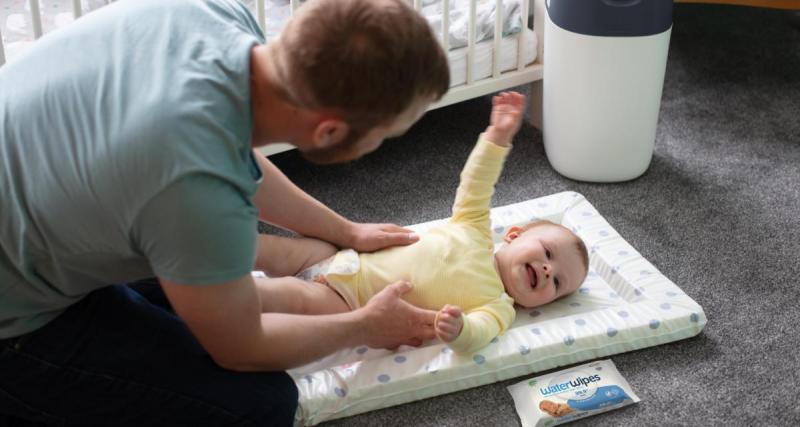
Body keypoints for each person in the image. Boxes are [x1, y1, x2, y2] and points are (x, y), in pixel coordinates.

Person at [0, 0, 450, 424]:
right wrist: (363, 326)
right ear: (329, 131)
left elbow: (228, 149)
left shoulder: (210, 15)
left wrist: (345, 230)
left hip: (38, 216)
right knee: (259, 405)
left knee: (183, 283)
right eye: (382, 137)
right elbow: (241, 348)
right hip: (14, 323)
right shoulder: (192, 185)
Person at [253, 92, 590, 354]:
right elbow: (476, 183)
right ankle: (212, 249)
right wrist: (497, 137)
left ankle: (223, 300)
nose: (548, 271)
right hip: (342, 256)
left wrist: (459, 330)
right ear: (514, 235)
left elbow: (479, 335)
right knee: (270, 249)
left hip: (348, 302)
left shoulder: (498, 307)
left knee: (289, 297)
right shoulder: (473, 228)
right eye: (548, 253)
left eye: (557, 283)